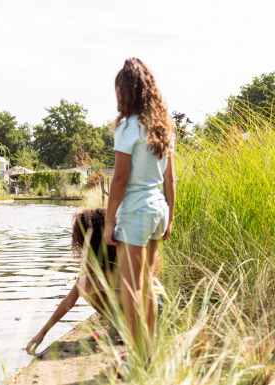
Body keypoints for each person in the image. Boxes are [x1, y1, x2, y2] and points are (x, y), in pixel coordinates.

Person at [104, 57, 175, 359]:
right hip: (157, 210)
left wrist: (109, 221)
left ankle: (138, 359)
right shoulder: (163, 128)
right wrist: (170, 216)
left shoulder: (128, 128)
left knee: (131, 290)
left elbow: (119, 180)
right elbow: (170, 180)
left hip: (135, 213)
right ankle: (148, 356)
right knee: (146, 285)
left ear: (125, 92)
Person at [25, 207, 169, 355]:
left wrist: (106, 290)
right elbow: (69, 301)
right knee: (85, 284)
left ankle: (131, 331)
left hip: (155, 307)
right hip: (143, 308)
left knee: (90, 285)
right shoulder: (93, 265)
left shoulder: (125, 254)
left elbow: (140, 293)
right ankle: (122, 328)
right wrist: (42, 333)